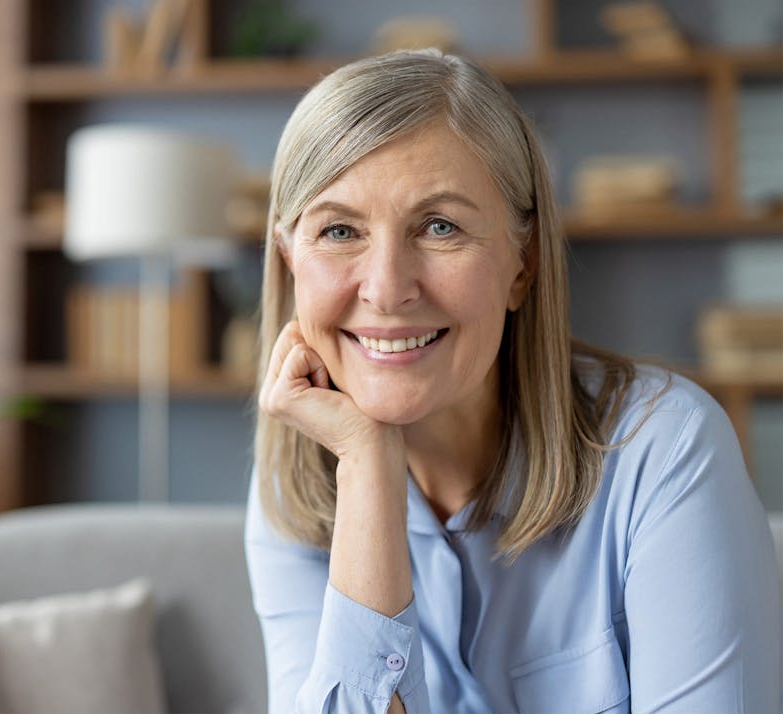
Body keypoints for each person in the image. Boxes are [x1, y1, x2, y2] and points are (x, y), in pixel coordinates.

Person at [244, 49, 782, 713]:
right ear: (290, 260)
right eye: (340, 230)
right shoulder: (295, 489)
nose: (385, 289)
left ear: (521, 266)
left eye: (440, 226)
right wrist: (368, 469)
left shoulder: (666, 450)